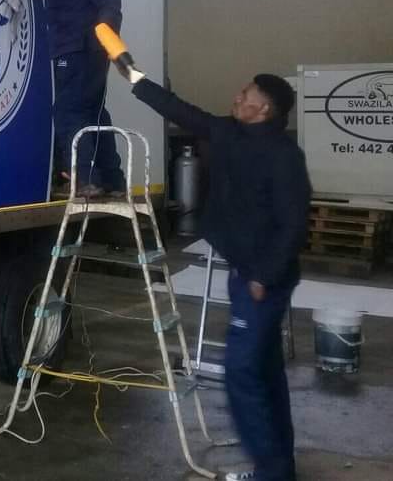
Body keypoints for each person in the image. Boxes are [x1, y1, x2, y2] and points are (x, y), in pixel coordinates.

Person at [115, 63, 310, 481]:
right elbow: (180, 110)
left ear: (264, 109)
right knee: (264, 373)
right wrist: (133, 77)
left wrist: (263, 276)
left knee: (241, 372)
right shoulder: (227, 133)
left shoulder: (283, 156)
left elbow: (294, 224)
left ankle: (271, 473)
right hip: (246, 272)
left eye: (246, 95)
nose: (238, 97)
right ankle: (279, 469)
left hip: (262, 281)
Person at [13, 0, 125, 197]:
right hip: (79, 47)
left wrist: (106, 39)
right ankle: (113, 181)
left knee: (68, 113)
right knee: (94, 113)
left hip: (82, 48)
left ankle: (85, 180)